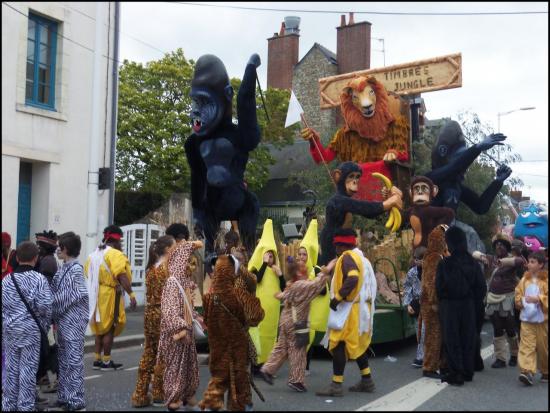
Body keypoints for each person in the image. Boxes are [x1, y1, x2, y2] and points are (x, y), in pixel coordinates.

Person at [316, 228, 378, 397]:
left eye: (336, 246)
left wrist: (337, 298)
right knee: (356, 345)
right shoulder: (362, 258)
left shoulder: (347, 257)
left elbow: (352, 278)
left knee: (337, 344)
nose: (335, 249)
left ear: (340, 246)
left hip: (348, 310)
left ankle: (336, 385)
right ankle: (367, 380)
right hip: (360, 309)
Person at [199, 251, 264, 411]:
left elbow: (206, 321)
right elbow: (257, 316)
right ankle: (239, 406)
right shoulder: (238, 294)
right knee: (239, 375)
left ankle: (211, 404)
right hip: (237, 344)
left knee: (219, 376)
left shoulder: (209, 297)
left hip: (217, 344)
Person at [260, 257, 333, 392]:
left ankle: (267, 369)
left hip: (286, 319)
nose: (306, 271)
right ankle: (296, 380)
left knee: (281, 347)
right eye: (303, 269)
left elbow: (284, 295)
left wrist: (279, 295)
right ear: (298, 273)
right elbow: (316, 285)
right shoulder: (301, 285)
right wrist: (326, 270)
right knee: (298, 351)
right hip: (296, 322)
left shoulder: (291, 283)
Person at [2, 241, 52, 411]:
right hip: (30, 330)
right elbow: (45, 306)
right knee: (28, 370)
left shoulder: (7, 280)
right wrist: (43, 326)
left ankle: (8, 404)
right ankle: (25, 406)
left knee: (10, 369)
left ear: (16, 257)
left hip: (10, 330)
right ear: (36, 258)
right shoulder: (39, 279)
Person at [436, 226, 486, 385]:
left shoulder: (445, 264)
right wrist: (473, 302)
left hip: (449, 306)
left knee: (452, 339)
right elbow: (481, 287)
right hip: (469, 305)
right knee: (467, 338)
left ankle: (456, 373)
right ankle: (467, 371)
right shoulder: (473, 263)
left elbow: (439, 288)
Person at [158, 238, 203, 411]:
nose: (191, 267)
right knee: (175, 368)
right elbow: (169, 310)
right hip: (176, 334)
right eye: (187, 262)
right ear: (180, 261)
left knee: (190, 366)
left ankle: (188, 394)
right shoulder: (172, 282)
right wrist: (181, 326)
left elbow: (187, 307)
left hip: (187, 331)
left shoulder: (184, 282)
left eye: (193, 264)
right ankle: (173, 399)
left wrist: (196, 318)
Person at [131, 235, 175, 408]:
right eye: (173, 247)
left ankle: (140, 393)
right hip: (162, 312)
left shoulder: (150, 269)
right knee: (163, 352)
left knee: (149, 352)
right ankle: (158, 392)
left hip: (150, 313)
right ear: (166, 250)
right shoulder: (167, 270)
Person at [85, 225, 137, 371]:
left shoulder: (93, 254)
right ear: (117, 240)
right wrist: (131, 294)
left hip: (96, 294)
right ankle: (107, 362)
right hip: (110, 295)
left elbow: (87, 272)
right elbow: (121, 275)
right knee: (110, 327)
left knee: (99, 327)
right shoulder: (115, 254)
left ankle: (97, 359)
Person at [50, 232, 89, 411]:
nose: (57, 249)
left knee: (73, 362)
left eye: (60, 246)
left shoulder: (75, 269)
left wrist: (52, 305)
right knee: (64, 361)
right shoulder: (64, 268)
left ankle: (76, 400)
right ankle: (65, 396)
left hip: (73, 323)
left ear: (66, 249)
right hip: (64, 322)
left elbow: (76, 294)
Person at [474, 233, 524, 368]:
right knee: (497, 327)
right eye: (497, 244)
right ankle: (500, 358)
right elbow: (474, 254)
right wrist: (483, 257)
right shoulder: (491, 259)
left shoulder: (512, 259)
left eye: (502, 244)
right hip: (492, 297)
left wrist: (506, 262)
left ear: (507, 247)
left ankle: (514, 354)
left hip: (507, 297)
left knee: (509, 327)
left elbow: (521, 261)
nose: (499, 246)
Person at [248, 219, 285, 374]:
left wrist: (281, 274)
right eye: (267, 255)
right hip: (259, 309)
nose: (269, 258)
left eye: (272, 255)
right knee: (259, 336)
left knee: (270, 337)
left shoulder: (276, 269)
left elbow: (284, 288)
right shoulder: (256, 268)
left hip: (272, 311)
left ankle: (266, 365)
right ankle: (256, 365)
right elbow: (258, 279)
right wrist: (263, 263)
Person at [297, 219, 330, 377]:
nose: (302, 257)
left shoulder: (317, 270)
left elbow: (323, 291)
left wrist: (310, 288)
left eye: (305, 254)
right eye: (300, 254)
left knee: (306, 339)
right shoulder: (297, 270)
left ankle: (305, 367)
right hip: (299, 310)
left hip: (310, 311)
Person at [514, 251, 548, 385]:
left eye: (533, 262)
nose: (529, 264)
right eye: (529, 261)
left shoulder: (546, 281)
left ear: (541, 265)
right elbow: (517, 296)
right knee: (526, 346)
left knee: (543, 348)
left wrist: (539, 299)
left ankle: (546, 370)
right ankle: (526, 371)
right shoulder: (523, 280)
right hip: (527, 320)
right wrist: (520, 302)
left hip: (542, 321)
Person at [421, 224, 449, 379]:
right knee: (433, 336)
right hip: (432, 304)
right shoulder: (434, 257)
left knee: (437, 335)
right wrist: (434, 301)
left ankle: (436, 365)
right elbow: (431, 282)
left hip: (431, 302)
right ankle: (429, 367)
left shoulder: (434, 255)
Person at [34, 230, 59, 395]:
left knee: (49, 346)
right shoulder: (45, 260)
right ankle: (43, 377)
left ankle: (55, 380)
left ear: (44, 248)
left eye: (39, 245)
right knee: (46, 345)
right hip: (45, 312)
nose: (37, 248)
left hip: (47, 313)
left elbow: (46, 290)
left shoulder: (48, 262)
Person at [403, 246, 427, 368]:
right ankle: (422, 356)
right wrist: (407, 304)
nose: (419, 261)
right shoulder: (412, 272)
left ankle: (422, 357)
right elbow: (407, 288)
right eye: (417, 259)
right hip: (416, 304)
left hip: (428, 303)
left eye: (422, 259)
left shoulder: (432, 270)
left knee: (425, 330)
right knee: (419, 330)